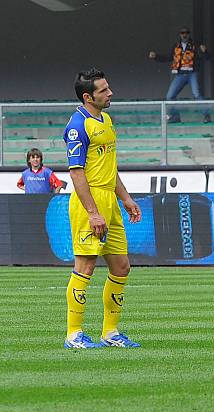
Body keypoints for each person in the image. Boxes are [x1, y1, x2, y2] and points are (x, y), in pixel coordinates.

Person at [62, 68, 142, 349]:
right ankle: (73, 334)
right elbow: (77, 173)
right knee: (85, 265)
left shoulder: (106, 120)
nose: (110, 93)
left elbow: (109, 168)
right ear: (88, 96)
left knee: (121, 267)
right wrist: (93, 212)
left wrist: (126, 198)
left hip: (109, 199)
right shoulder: (77, 126)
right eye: (103, 90)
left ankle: (110, 332)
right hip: (89, 203)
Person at [148, 26, 210, 122]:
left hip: (192, 73)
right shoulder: (176, 46)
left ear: (189, 34)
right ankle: (175, 117)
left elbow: (206, 58)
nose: (184, 35)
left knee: (196, 94)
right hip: (180, 75)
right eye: (182, 33)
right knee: (170, 96)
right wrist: (156, 57)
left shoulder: (195, 45)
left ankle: (206, 115)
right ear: (180, 35)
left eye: (186, 33)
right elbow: (169, 58)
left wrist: (205, 51)